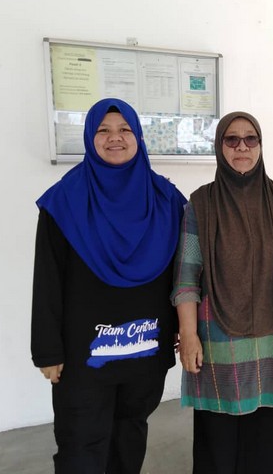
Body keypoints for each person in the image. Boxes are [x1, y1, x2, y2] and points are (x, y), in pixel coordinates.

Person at [31, 98, 187, 474]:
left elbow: (182, 274)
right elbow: (47, 278)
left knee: (130, 435)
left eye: (124, 130)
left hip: (146, 350)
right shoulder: (64, 201)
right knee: (80, 444)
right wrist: (47, 350)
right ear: (90, 138)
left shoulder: (166, 200)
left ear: (139, 138)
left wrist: (184, 330)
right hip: (83, 357)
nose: (114, 137)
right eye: (103, 130)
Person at [171, 111, 273, 474]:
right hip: (218, 336)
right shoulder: (201, 204)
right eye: (232, 140)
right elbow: (187, 276)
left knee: (270, 438)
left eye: (251, 139)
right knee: (219, 440)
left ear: (261, 145)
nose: (242, 147)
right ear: (220, 147)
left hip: (272, 334)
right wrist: (188, 334)